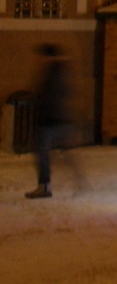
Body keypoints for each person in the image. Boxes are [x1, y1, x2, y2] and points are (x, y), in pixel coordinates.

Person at [25, 43, 76, 199]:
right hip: (54, 119)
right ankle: (79, 182)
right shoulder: (57, 71)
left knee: (43, 155)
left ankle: (44, 186)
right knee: (58, 154)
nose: (37, 59)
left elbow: (50, 97)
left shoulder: (53, 73)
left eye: (40, 56)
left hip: (50, 120)